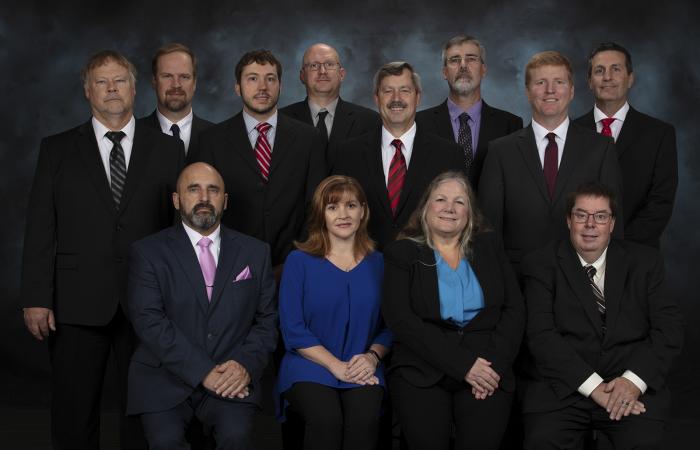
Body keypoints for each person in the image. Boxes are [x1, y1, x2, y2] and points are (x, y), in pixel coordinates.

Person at [20, 49, 184, 450]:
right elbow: (41, 226)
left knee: (143, 410)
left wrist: (178, 297)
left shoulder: (168, 149)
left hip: (147, 301)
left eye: (120, 81)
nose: (112, 89)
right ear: (87, 91)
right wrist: (36, 298)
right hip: (75, 301)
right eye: (101, 82)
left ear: (135, 88)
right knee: (74, 412)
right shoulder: (56, 149)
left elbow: (175, 232)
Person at [520, 182, 683, 449]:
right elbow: (541, 336)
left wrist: (632, 381)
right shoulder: (540, 264)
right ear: (568, 221)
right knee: (543, 442)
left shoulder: (645, 262)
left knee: (643, 443)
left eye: (600, 216)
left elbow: (670, 329)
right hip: (563, 387)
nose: (590, 225)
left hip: (628, 385)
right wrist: (595, 388)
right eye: (581, 215)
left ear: (612, 223)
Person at [127, 162, 278, 450]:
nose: (204, 198)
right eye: (193, 190)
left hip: (232, 376)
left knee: (236, 438)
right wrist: (204, 372)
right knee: (165, 442)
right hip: (164, 378)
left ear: (225, 200)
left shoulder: (255, 252)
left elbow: (267, 320)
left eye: (213, 190)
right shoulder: (147, 253)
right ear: (176, 200)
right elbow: (150, 322)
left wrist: (245, 366)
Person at [382, 171, 525, 449]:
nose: (449, 208)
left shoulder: (489, 246)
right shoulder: (401, 253)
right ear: (426, 207)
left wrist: (490, 367)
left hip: (488, 366)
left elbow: (514, 310)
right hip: (422, 369)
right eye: (441, 199)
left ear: (470, 212)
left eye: (459, 202)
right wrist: (463, 366)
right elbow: (401, 320)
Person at [478, 50, 623, 275]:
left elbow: (614, 225)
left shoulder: (601, 148)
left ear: (572, 90)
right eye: (540, 82)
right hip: (518, 279)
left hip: (583, 279)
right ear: (527, 92)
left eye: (559, 82)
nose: (550, 90)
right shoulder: (500, 151)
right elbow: (488, 229)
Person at [276, 175, 391, 450]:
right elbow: (293, 328)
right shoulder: (298, 262)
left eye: (351, 205)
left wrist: (372, 358)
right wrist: (335, 366)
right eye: (332, 207)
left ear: (363, 211)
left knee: (363, 421)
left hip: (363, 363)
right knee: (326, 420)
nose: (343, 214)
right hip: (309, 364)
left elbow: (391, 325)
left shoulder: (380, 263)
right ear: (321, 214)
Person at [191, 49, 326, 274]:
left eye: (270, 79)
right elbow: (206, 206)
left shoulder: (309, 138)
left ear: (280, 86)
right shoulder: (211, 141)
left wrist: (300, 256)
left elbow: (316, 206)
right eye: (252, 78)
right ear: (238, 87)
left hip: (294, 264)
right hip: (230, 266)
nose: (262, 87)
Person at [332, 61, 466, 250]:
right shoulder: (347, 153)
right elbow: (335, 214)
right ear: (376, 98)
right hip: (364, 264)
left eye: (405, 90)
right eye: (388, 91)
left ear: (418, 97)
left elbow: (460, 220)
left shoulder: (448, 154)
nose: (397, 98)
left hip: (426, 267)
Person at [575, 42, 677, 248]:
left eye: (616, 69)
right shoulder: (569, 132)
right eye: (599, 71)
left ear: (630, 78)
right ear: (589, 81)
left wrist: (619, 247)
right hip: (578, 253)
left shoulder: (659, 134)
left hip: (638, 255)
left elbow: (660, 202)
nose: (607, 77)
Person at [416, 35, 522, 189]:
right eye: (454, 60)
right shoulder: (419, 123)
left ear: (483, 69)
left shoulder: (510, 125)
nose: (463, 66)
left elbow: (514, 185)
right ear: (444, 72)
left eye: (471, 59)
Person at [280, 42, 380, 168]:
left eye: (329, 64)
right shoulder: (281, 120)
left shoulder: (370, 121)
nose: (322, 71)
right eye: (314, 65)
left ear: (341, 74)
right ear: (302, 76)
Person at [139, 42, 213, 156]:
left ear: (194, 83)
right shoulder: (135, 134)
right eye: (167, 76)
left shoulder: (216, 136)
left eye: (184, 77)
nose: (176, 85)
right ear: (154, 81)